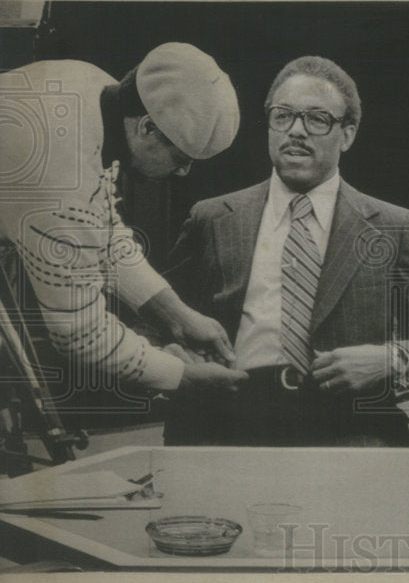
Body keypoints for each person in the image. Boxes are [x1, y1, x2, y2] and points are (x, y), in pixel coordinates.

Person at [162, 55, 409, 446]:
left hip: (348, 429)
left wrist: (387, 360)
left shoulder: (392, 227)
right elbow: (159, 319)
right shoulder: (211, 218)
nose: (296, 131)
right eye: (283, 116)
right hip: (227, 422)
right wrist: (171, 352)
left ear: (348, 134)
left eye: (317, 119)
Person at [0, 42, 247, 396]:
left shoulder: (89, 82)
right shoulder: (58, 175)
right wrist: (178, 375)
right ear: (147, 127)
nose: (182, 172)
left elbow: (101, 226)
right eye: (180, 158)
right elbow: (79, 334)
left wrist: (174, 313)